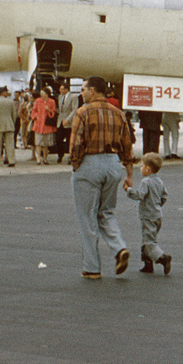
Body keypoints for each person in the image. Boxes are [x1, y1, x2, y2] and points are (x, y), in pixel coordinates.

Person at [70, 76, 135, 279]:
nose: (82, 93)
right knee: (106, 212)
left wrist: (76, 165)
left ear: (93, 91)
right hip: (113, 165)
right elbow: (127, 145)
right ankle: (119, 248)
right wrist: (129, 174)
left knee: (87, 217)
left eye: (83, 89)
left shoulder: (83, 113)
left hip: (90, 164)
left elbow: (75, 144)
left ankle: (92, 267)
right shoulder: (119, 114)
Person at [126, 152, 171, 275]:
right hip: (157, 215)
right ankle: (147, 264)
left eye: (141, 166)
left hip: (148, 216)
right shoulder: (159, 181)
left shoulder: (146, 181)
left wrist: (129, 191)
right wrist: (157, 205)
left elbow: (139, 195)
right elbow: (164, 196)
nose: (140, 169)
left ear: (147, 168)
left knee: (149, 241)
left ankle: (162, 258)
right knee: (149, 238)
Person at [0, 86, 18, 167]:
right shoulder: (10, 102)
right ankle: (11, 160)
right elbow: (14, 115)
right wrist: (12, 122)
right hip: (9, 124)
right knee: (10, 144)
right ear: (3, 93)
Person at [32, 87, 57, 165]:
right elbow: (33, 110)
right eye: (41, 93)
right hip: (38, 124)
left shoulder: (52, 101)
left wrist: (49, 110)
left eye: (43, 93)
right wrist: (36, 116)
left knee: (46, 144)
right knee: (38, 143)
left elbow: (54, 112)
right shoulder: (38, 101)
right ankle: (38, 158)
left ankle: (45, 158)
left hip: (47, 125)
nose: (41, 95)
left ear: (47, 94)